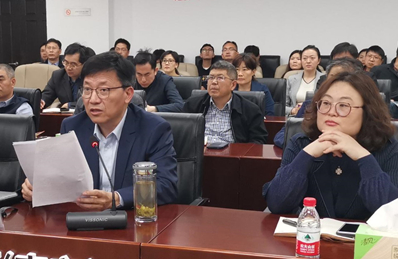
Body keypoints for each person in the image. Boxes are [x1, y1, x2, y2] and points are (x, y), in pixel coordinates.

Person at [21, 51, 178, 210]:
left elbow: (166, 185)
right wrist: (38, 186)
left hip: (129, 219)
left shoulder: (153, 129)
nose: (93, 100)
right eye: (87, 90)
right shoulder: (72, 127)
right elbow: (58, 177)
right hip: (82, 219)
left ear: (128, 94)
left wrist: (116, 199)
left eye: (104, 90)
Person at [263, 71, 398, 220]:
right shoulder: (301, 144)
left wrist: (362, 156)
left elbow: (395, 215)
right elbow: (277, 204)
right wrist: (307, 154)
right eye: (326, 103)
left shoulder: (387, 148)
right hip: (312, 233)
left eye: (343, 105)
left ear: (367, 112)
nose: (331, 112)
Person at [273, 59, 364, 148]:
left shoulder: (362, 109)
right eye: (332, 77)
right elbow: (281, 137)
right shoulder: (310, 105)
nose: (335, 83)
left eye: (343, 106)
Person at [184, 61, 267, 144]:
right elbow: (182, 134)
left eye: (220, 78)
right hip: (199, 151)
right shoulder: (192, 104)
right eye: (211, 77)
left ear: (233, 85)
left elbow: (258, 140)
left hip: (233, 151)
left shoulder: (250, 110)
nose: (214, 82)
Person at [41, 43, 95, 109]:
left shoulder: (91, 78)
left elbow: (91, 101)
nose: (68, 67)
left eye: (73, 64)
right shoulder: (58, 75)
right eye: (66, 63)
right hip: (65, 114)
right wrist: (42, 101)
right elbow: (47, 95)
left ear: (84, 64)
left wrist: (70, 105)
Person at [286, 45, 324, 116]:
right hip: (294, 118)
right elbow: (283, 106)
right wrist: (293, 110)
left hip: (316, 117)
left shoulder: (324, 79)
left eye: (312, 58)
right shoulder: (291, 79)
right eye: (305, 58)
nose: (308, 61)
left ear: (318, 60)